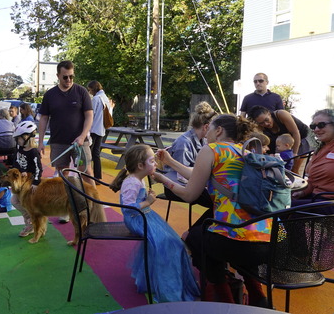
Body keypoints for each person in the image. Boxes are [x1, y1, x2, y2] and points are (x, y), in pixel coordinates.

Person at [155, 114, 271, 307]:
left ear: (218, 131)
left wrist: (162, 179)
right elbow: (199, 172)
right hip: (265, 240)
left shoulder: (212, 149)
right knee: (226, 237)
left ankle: (223, 300)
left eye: (209, 129)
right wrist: (170, 162)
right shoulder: (246, 152)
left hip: (233, 241)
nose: (206, 133)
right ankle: (258, 295)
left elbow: (190, 195)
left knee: (195, 238)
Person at [109, 144, 199, 303]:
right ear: (140, 165)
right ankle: (168, 286)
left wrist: (145, 200)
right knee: (168, 244)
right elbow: (128, 209)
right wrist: (148, 202)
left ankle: (156, 280)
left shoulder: (138, 179)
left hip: (143, 216)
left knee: (173, 243)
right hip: (137, 219)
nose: (156, 164)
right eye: (152, 161)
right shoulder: (132, 182)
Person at [161, 101, 217, 218]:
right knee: (215, 200)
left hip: (188, 182)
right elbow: (181, 176)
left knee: (218, 199)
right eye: (215, 129)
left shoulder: (203, 140)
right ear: (206, 127)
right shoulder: (184, 143)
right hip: (175, 186)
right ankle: (197, 232)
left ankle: (199, 231)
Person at [38, 61, 93, 176]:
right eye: (65, 77)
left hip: (80, 142)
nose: (69, 79)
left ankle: (92, 195)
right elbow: (44, 118)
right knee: (62, 175)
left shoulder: (81, 92)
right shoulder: (50, 95)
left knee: (86, 172)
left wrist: (82, 136)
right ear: (58, 76)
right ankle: (66, 194)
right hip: (58, 142)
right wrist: (40, 142)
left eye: (71, 76)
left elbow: (89, 116)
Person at [291, 109, 334, 209]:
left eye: (321, 125)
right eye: (313, 126)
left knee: (281, 208)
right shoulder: (321, 149)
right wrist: (301, 192)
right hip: (316, 198)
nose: (316, 130)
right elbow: (313, 181)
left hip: (329, 203)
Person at [249, 105, 312, 172]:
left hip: (299, 138)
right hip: (280, 142)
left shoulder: (281, 114)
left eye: (266, 120)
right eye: (261, 123)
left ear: (269, 113)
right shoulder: (259, 127)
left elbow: (295, 133)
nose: (266, 124)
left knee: (293, 169)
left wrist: (294, 154)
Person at [11, 121, 43, 237]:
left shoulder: (34, 152)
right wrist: (20, 169)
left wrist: (35, 183)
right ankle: (30, 219)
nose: (17, 141)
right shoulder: (19, 150)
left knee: (27, 204)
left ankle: (30, 225)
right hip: (20, 184)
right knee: (14, 201)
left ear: (26, 137)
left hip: (30, 184)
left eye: (18, 138)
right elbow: (15, 162)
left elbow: (38, 168)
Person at [87, 80, 112, 180]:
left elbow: (90, 115)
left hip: (93, 129)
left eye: (90, 90)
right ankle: (98, 177)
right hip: (101, 129)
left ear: (93, 89)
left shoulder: (96, 99)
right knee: (96, 154)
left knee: (87, 153)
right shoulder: (105, 98)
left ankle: (86, 175)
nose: (89, 92)